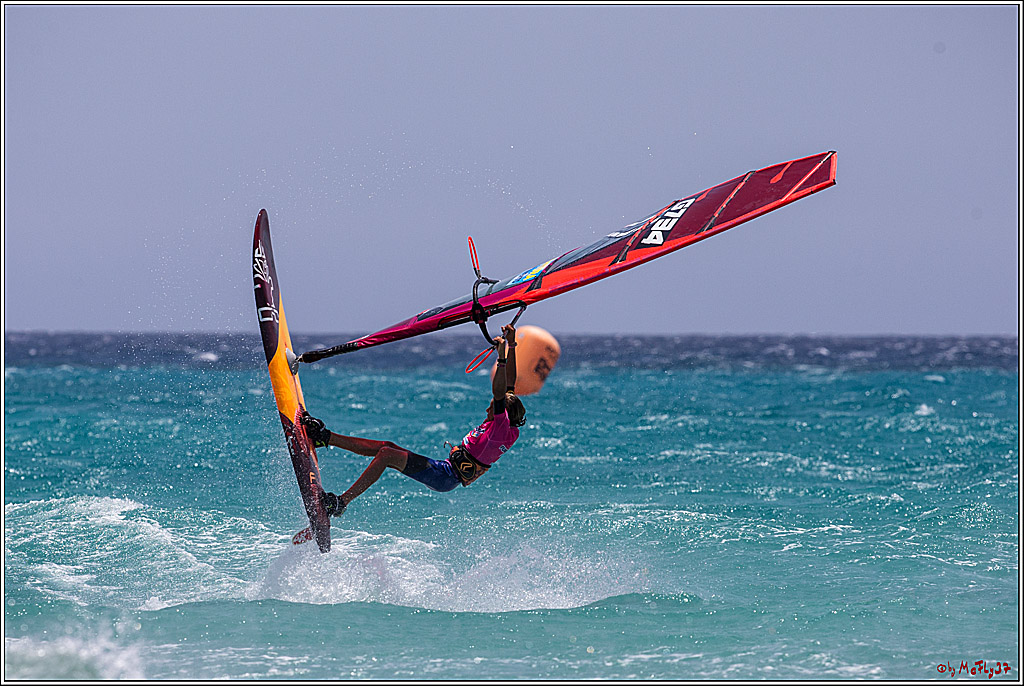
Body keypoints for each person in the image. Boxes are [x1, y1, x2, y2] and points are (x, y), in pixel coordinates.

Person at [301, 324, 527, 517]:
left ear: (503, 412)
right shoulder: (507, 426)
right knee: (386, 446)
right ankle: (325, 438)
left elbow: (500, 392)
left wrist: (501, 357)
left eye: (492, 407)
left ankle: (341, 503)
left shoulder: (500, 427)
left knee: (387, 455)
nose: (488, 408)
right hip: (445, 471)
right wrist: (512, 343)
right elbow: (510, 385)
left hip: (445, 476)